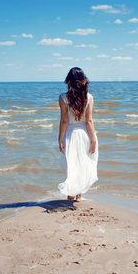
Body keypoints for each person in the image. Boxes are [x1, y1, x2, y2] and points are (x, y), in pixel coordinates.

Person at [58, 67, 98, 202]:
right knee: (83, 164)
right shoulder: (89, 97)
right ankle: (79, 196)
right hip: (84, 135)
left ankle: (70, 194)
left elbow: (64, 121)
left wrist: (60, 139)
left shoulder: (63, 98)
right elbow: (89, 121)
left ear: (69, 81)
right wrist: (93, 140)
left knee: (71, 164)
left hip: (69, 135)